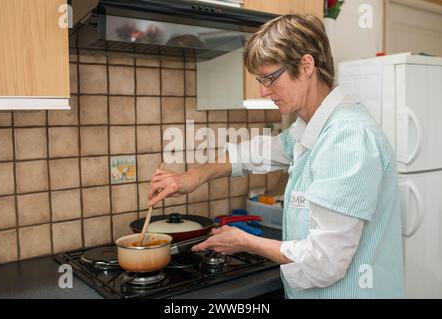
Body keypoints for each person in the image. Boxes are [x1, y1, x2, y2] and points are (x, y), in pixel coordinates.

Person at [148, 13, 405, 298]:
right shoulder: (311, 126)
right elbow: (257, 153)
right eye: (260, 79)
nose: (263, 90)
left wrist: (246, 242)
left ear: (306, 65)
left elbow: (325, 261)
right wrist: (195, 175)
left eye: (270, 77)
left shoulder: (348, 138)